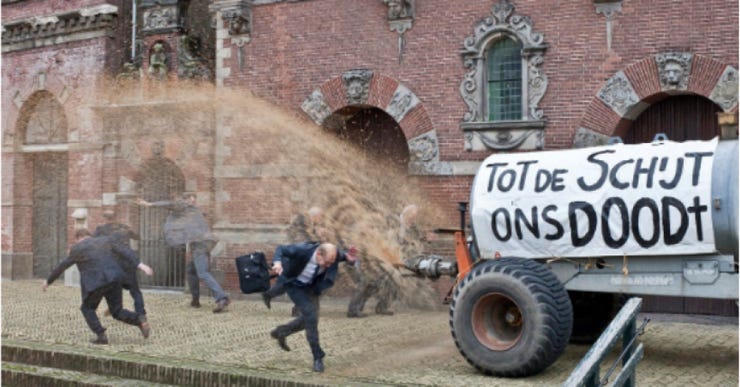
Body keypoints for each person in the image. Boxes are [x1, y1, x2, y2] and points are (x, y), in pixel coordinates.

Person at [42, 229, 153, 344]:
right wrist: (141, 265)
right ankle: (139, 319)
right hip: (114, 278)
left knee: (87, 308)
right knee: (117, 311)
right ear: (90, 236)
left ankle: (101, 335)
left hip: (96, 283)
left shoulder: (77, 248)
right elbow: (124, 251)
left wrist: (48, 281)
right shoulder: (106, 241)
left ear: (78, 238)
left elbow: (62, 266)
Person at [268, 242, 357, 373]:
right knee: (311, 318)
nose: (328, 266)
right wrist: (277, 263)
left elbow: (343, 257)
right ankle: (317, 357)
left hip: (312, 288)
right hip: (295, 286)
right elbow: (281, 248)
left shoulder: (333, 255)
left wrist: (350, 259)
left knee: (309, 319)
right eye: (326, 263)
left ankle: (281, 331)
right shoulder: (302, 250)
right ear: (319, 254)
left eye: (331, 263)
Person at [137, 192, 230, 313]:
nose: (193, 200)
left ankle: (222, 298)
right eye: (192, 198)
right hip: (204, 243)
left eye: (192, 199)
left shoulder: (185, 205)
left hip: (200, 244)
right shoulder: (194, 210)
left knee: (202, 273)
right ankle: (195, 300)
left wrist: (149, 204)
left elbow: (169, 204)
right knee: (191, 271)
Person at [93, 210, 146, 318]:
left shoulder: (101, 229)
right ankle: (141, 314)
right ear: (115, 217)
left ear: (104, 218)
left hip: (114, 264)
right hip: (128, 262)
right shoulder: (124, 228)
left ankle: (112, 307)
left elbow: (93, 243)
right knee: (135, 291)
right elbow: (138, 237)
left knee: (110, 288)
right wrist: (130, 229)